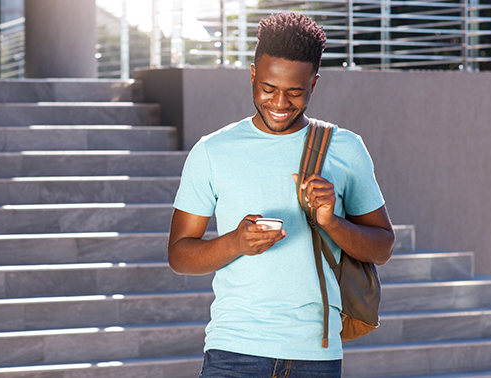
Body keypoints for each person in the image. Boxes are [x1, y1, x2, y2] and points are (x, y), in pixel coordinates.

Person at [168, 12, 395, 378]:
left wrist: (331, 222)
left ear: (314, 84)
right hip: (234, 352)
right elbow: (179, 254)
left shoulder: (346, 149)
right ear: (253, 75)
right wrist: (236, 242)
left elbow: (382, 248)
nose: (279, 103)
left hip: (315, 356)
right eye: (268, 88)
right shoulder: (212, 151)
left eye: (294, 91)